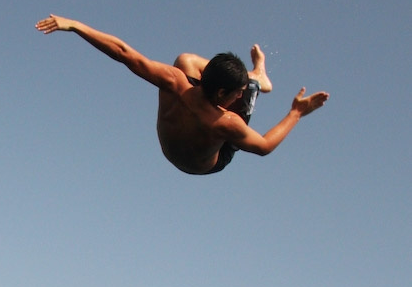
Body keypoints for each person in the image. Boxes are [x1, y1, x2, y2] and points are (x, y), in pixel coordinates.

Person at [35, 15, 329, 176]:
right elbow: (264, 146)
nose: (236, 98)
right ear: (222, 93)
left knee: (185, 60)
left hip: (177, 146)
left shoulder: (174, 82)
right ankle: (256, 79)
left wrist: (75, 25)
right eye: (234, 93)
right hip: (203, 164)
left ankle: (254, 75)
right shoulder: (227, 123)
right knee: (248, 88)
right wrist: (296, 112)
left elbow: (125, 54)